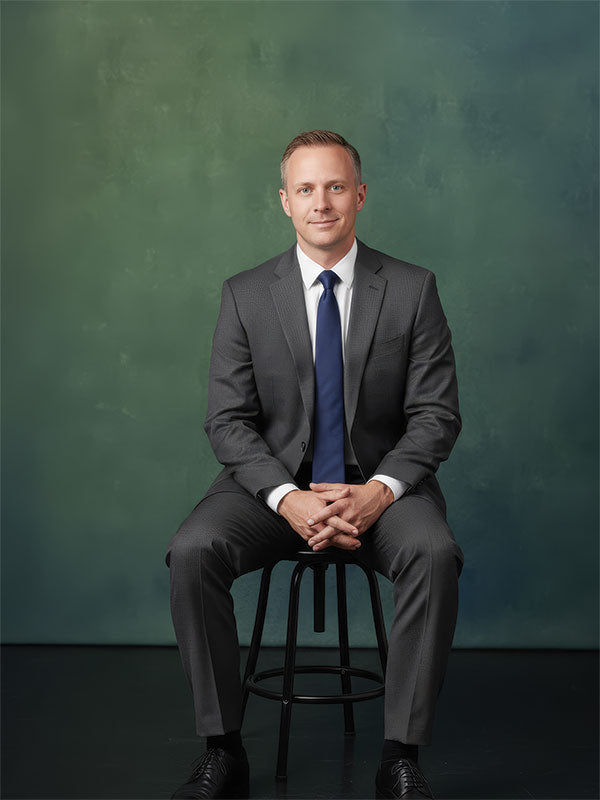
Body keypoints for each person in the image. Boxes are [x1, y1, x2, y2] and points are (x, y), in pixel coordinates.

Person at [166, 129, 465, 800]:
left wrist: (379, 491)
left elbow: (435, 415)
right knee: (192, 551)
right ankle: (222, 749)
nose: (321, 202)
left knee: (434, 553)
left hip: (382, 488)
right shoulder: (245, 295)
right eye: (306, 189)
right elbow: (228, 421)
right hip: (270, 491)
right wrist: (286, 497)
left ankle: (401, 756)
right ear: (285, 201)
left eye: (335, 186)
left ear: (360, 195)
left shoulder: (412, 289)